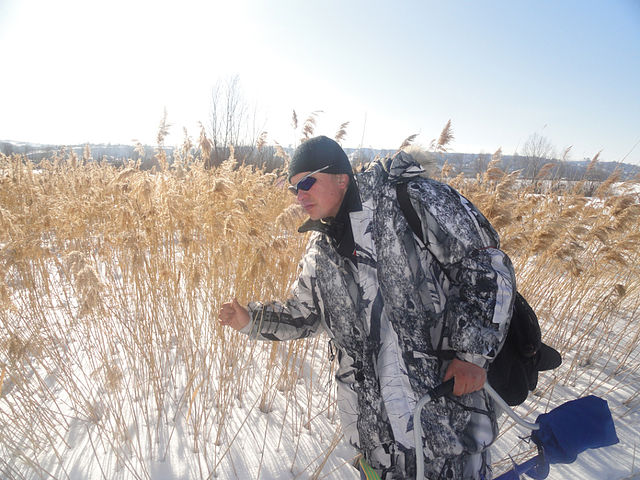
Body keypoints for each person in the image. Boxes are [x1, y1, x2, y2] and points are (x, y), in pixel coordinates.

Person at [218, 135, 516, 479]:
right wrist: (252, 319)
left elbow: (487, 267)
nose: (299, 196)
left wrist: (471, 356)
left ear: (341, 177)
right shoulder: (321, 251)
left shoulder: (412, 200)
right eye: (292, 189)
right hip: (376, 442)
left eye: (307, 182)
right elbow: (305, 314)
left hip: (445, 426)